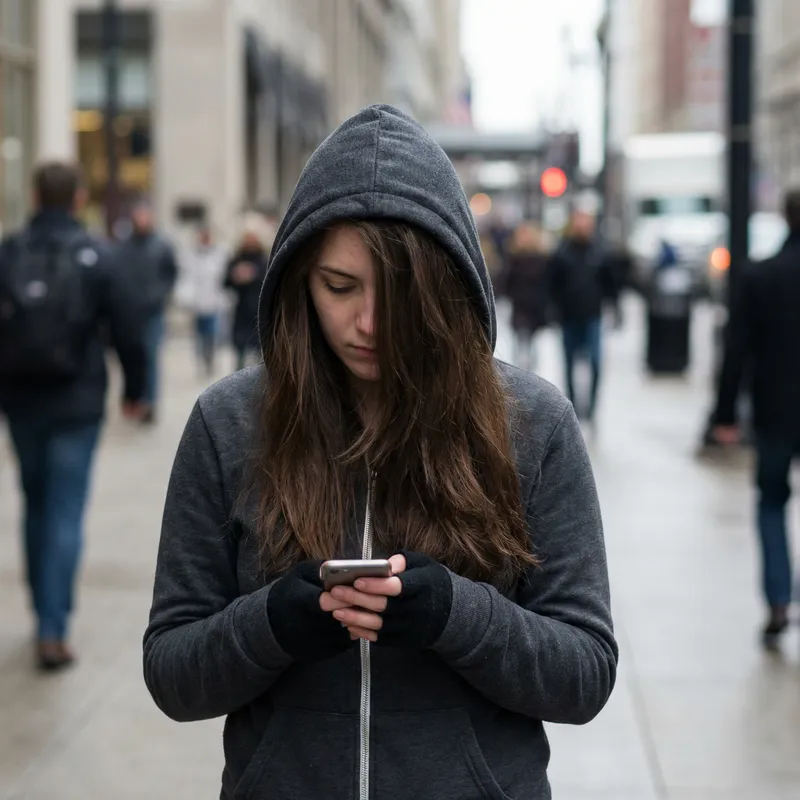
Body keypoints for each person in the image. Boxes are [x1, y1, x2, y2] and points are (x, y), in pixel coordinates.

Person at [143, 105, 617, 800]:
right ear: (300, 277)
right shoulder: (229, 421)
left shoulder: (532, 421)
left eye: (398, 293)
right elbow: (171, 672)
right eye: (339, 287)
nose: (367, 323)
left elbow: (585, 672)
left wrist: (457, 615)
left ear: (444, 286)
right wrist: (271, 624)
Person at [0, 162, 147, 670]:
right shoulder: (97, 255)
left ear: (35, 195)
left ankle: (40, 606)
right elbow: (128, 325)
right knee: (64, 509)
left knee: (34, 502)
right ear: (79, 197)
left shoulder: (9, 251)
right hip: (77, 402)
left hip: (20, 400)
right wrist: (136, 390)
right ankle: (52, 627)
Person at [712, 188, 800, 651]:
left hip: (775, 411)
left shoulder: (761, 275)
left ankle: (779, 601)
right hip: (775, 411)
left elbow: (737, 350)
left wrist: (725, 414)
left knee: (771, 503)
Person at [548, 210, 617, 422]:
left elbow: (610, 283)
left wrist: (614, 306)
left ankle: (592, 407)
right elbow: (551, 284)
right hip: (569, 316)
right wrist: (552, 308)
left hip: (592, 315)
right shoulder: (562, 252)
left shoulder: (599, 252)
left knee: (595, 362)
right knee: (569, 362)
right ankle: (574, 405)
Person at [114, 200, 178, 423]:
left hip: (152, 312)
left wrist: (159, 295)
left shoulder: (162, 246)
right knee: (132, 357)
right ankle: (134, 398)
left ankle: (149, 403)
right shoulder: (124, 247)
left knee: (150, 357)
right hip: (129, 313)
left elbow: (171, 274)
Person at [499, 221, 551, 372]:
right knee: (520, 339)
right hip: (519, 304)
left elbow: (547, 282)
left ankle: (531, 372)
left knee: (532, 341)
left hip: (535, 305)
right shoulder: (512, 258)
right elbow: (504, 281)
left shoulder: (541, 258)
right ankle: (519, 370)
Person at [180, 224, 228, 377]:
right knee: (200, 335)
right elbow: (187, 278)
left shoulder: (220, 254)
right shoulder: (191, 255)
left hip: (215, 302)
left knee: (212, 334)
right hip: (198, 303)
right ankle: (202, 360)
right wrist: (186, 297)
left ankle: (210, 359)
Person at [224, 217, 271, 371]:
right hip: (241, 311)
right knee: (240, 351)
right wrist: (235, 276)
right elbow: (225, 282)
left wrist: (253, 275)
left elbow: (269, 279)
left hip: (258, 310)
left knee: (259, 353)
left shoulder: (264, 259)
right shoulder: (236, 259)